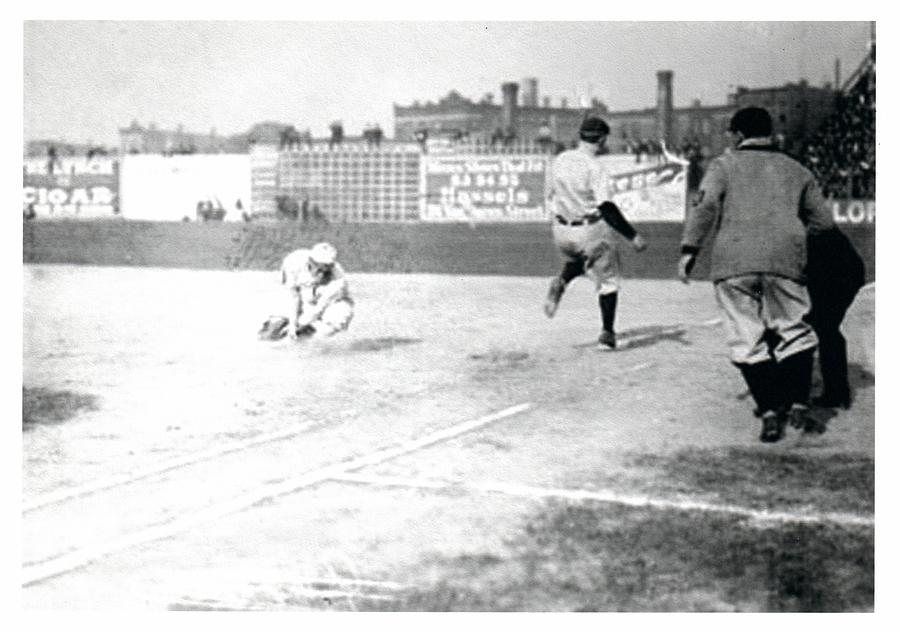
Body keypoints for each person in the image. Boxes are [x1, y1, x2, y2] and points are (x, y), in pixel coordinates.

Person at [678, 106, 834, 443]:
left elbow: (704, 207)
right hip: (785, 260)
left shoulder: (724, 165)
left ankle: (768, 412)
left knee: (746, 338)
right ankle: (797, 403)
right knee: (794, 330)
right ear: (770, 134)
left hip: (734, 261)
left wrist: (690, 250)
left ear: (736, 135)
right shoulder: (798, 169)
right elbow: (824, 223)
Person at [543, 116, 648, 350]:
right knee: (608, 283)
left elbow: (550, 194)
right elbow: (607, 208)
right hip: (588, 229)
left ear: (580, 135)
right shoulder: (595, 167)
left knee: (580, 259)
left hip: (560, 230)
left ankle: (561, 281)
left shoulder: (560, 159)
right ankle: (607, 335)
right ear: (601, 139)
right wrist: (632, 236)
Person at [806, 226, 865, 409]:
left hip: (836, 275)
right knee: (827, 329)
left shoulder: (806, 230)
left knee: (824, 328)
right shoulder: (818, 223)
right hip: (844, 272)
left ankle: (835, 392)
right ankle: (838, 391)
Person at [279, 243, 354, 339]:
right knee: (280, 320)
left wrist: (299, 326)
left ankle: (312, 345)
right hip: (305, 295)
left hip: (331, 303)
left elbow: (319, 309)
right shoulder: (293, 262)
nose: (322, 272)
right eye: (318, 267)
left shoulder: (338, 281)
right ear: (310, 261)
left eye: (326, 268)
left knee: (338, 316)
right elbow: (293, 295)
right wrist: (292, 324)